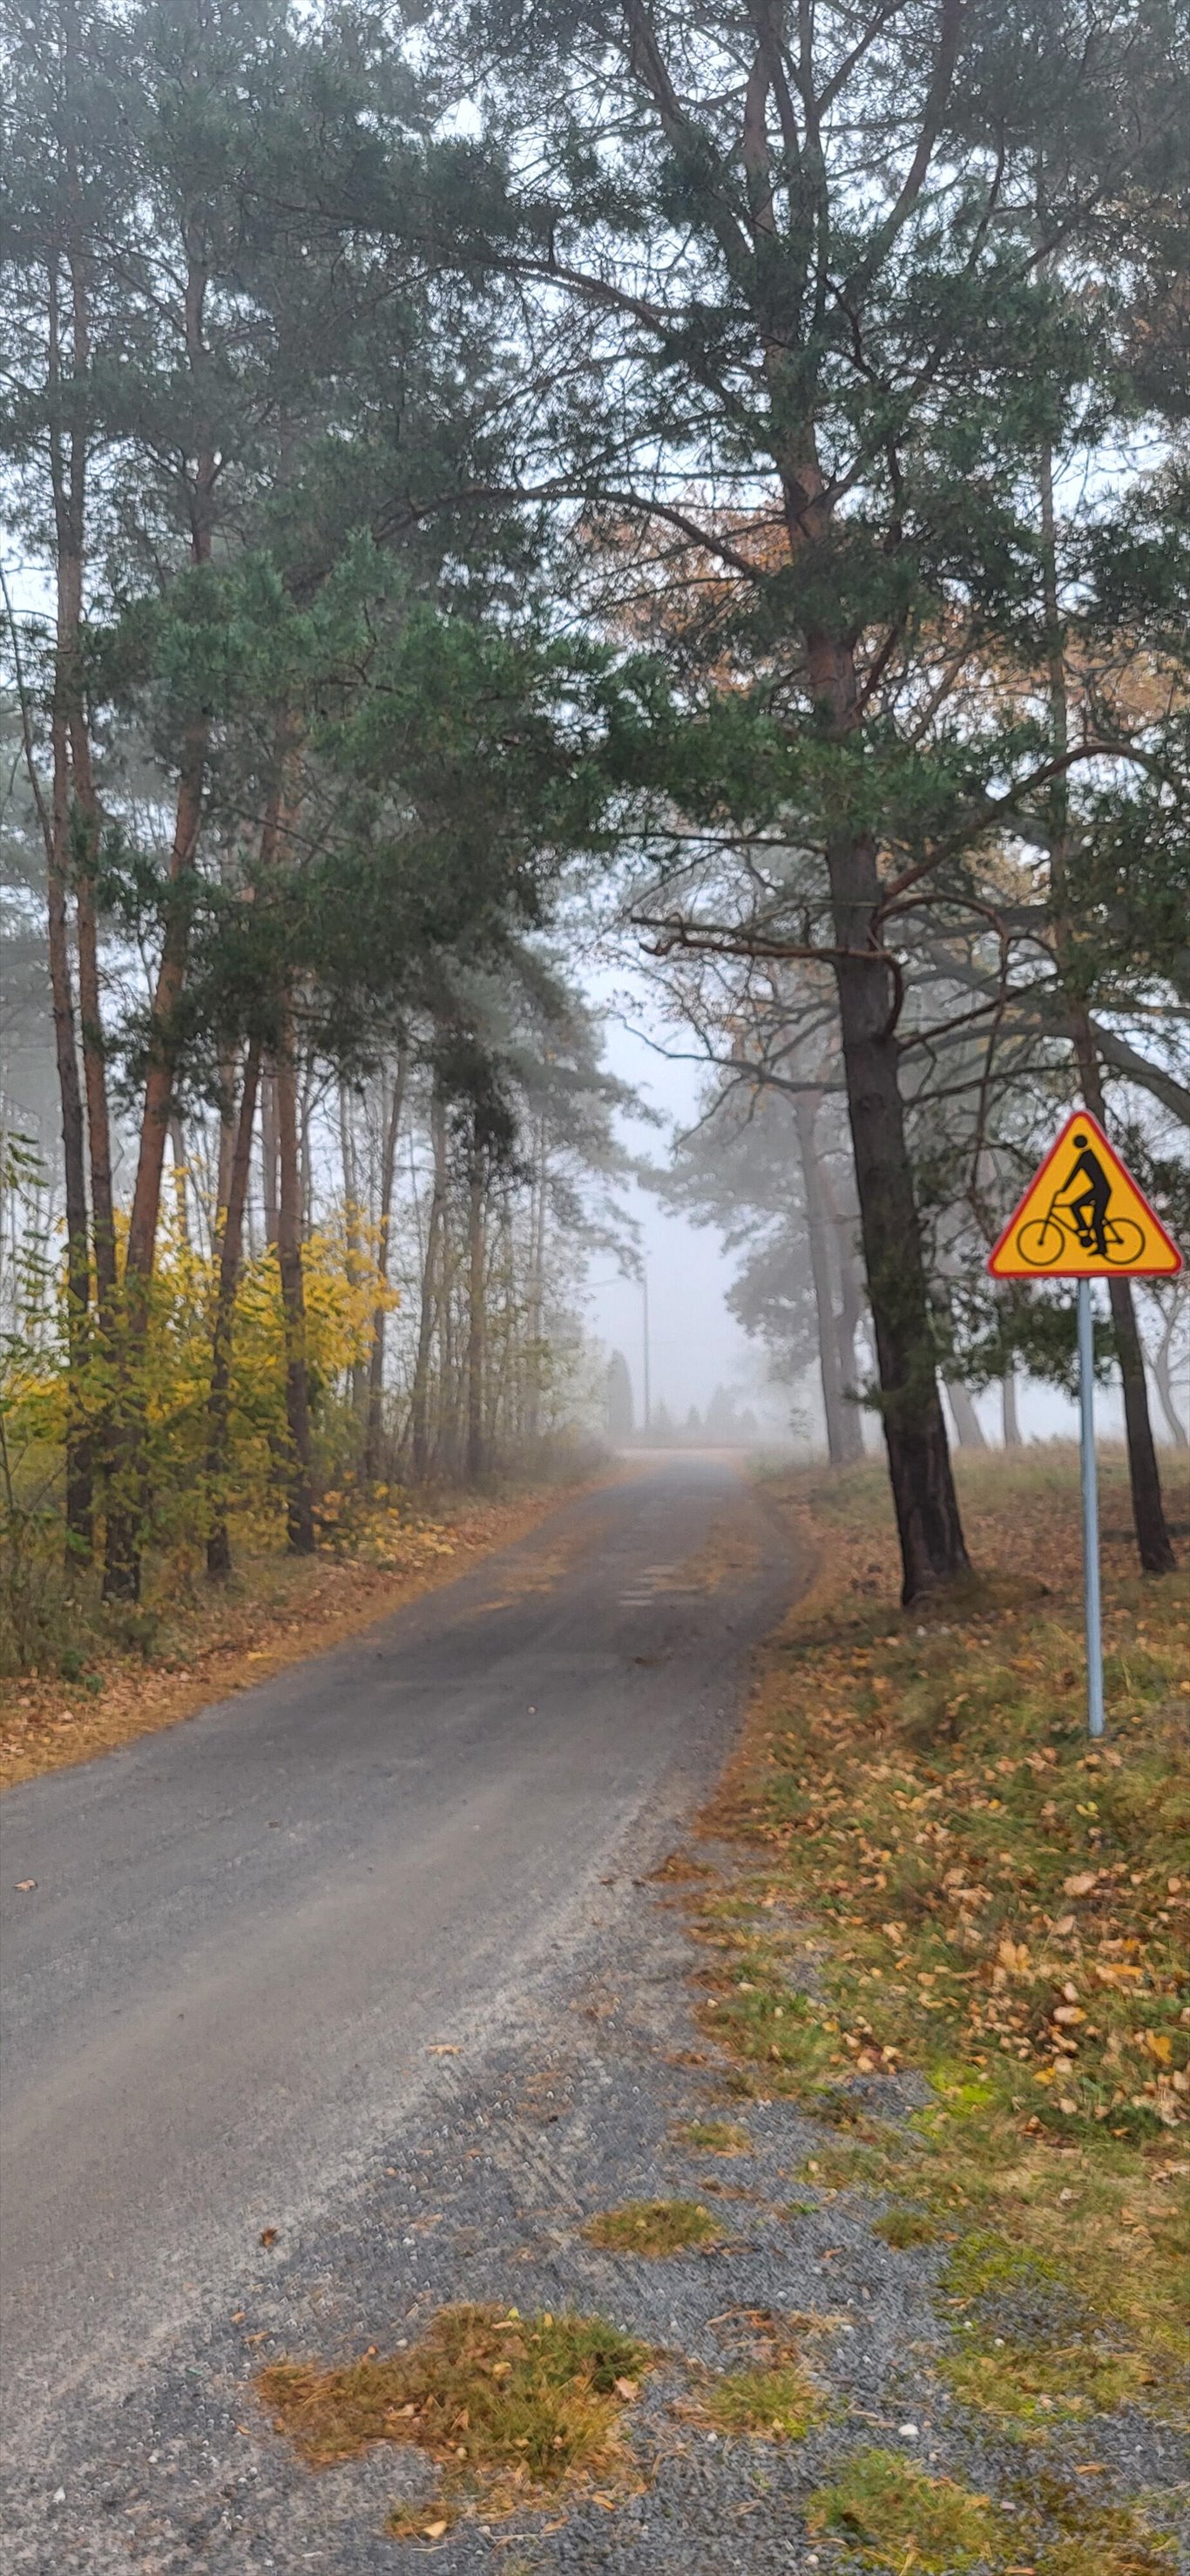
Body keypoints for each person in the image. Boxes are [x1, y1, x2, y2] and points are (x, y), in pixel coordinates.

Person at [1063, 1131, 1112, 1258]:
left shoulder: (1086, 1156)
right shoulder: (1087, 1154)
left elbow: (1074, 1173)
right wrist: (1064, 1189)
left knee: (1096, 1221)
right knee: (1075, 1205)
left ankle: (1101, 1247)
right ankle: (1084, 1229)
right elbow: (1075, 1173)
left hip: (1102, 1191)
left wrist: (1064, 1189)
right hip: (1097, 1189)